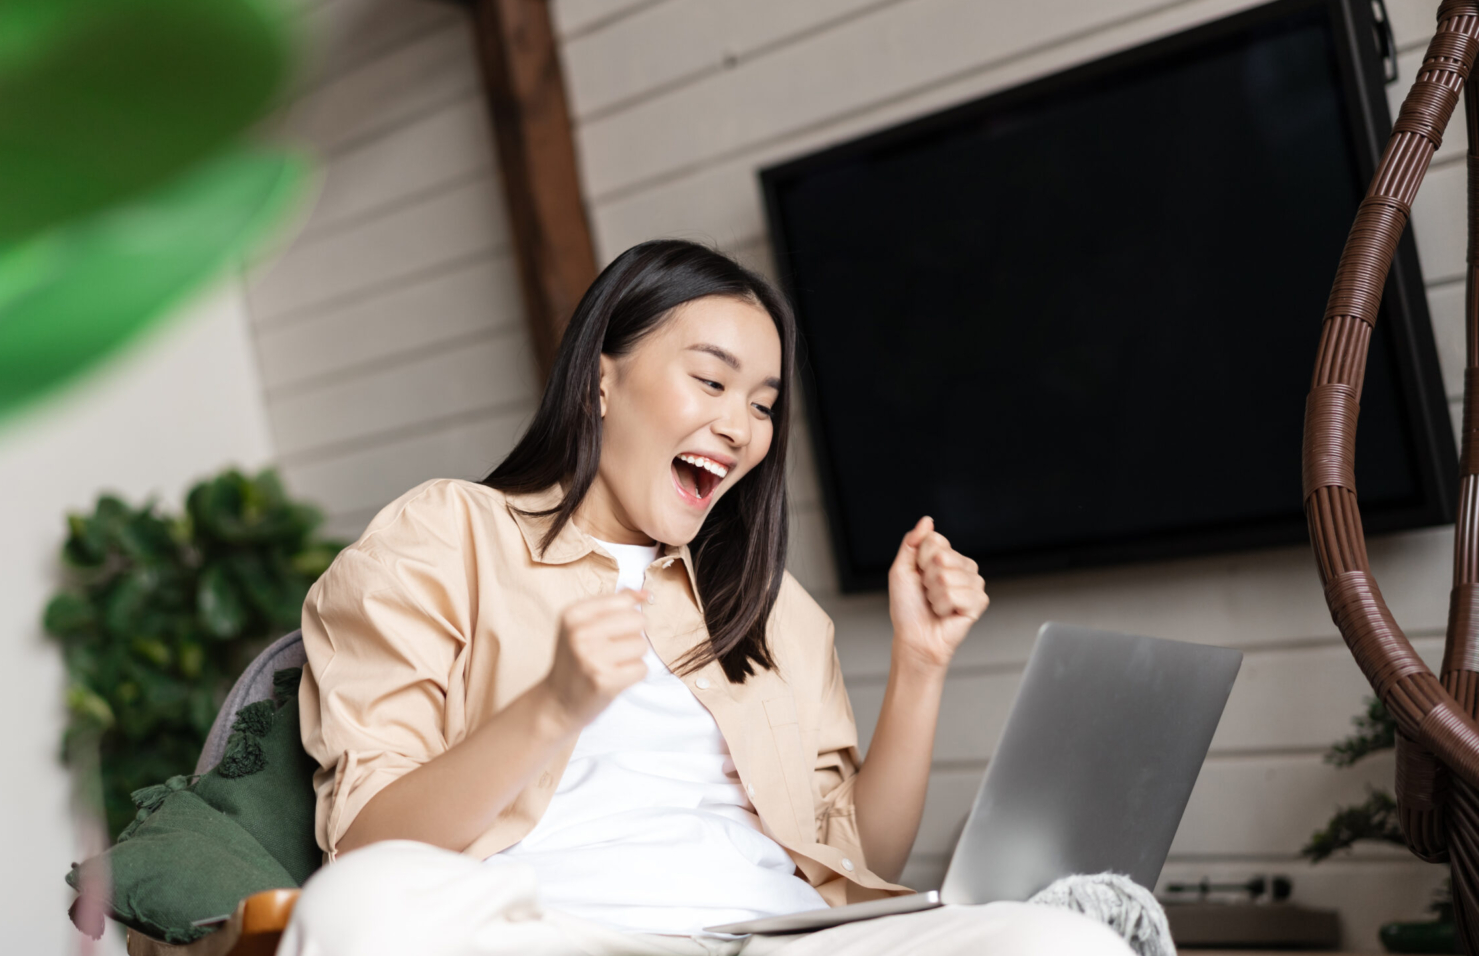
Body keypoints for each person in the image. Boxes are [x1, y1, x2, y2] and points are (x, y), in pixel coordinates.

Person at [281, 240, 1132, 956]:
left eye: (763, 405)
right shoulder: (448, 534)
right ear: (599, 381)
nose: (741, 426)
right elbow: (368, 843)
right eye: (712, 382)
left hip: (768, 937)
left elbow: (852, 859)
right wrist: (553, 706)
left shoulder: (770, 604)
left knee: (1069, 942)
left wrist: (921, 662)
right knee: (357, 908)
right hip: (560, 933)